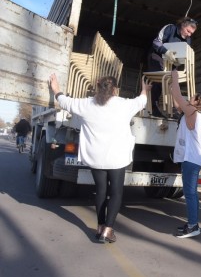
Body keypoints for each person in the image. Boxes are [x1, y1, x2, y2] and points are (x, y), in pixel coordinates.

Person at [49, 73, 151, 243]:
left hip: (96, 157)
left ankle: (100, 227)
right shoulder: (124, 105)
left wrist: (56, 89)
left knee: (101, 191)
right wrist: (144, 89)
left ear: (98, 86)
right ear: (116, 89)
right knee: (116, 192)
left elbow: (65, 101)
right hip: (117, 158)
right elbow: (142, 101)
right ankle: (108, 230)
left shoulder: (86, 104)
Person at [169, 69, 201, 238]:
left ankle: (193, 226)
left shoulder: (193, 112)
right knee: (191, 192)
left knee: (190, 193)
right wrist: (171, 86)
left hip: (192, 158)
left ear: (197, 102)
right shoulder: (191, 113)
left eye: (192, 97)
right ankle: (193, 223)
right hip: (192, 157)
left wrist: (175, 77)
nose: (189, 98)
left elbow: (178, 96)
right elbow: (177, 102)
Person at [145, 17, 198, 117]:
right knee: (160, 80)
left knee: (174, 80)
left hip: (172, 62)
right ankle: (154, 106)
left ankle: (175, 109)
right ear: (183, 25)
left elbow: (184, 54)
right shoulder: (170, 28)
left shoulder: (188, 40)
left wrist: (178, 62)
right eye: (188, 31)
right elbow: (156, 41)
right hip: (157, 56)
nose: (189, 34)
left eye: (191, 33)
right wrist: (166, 52)